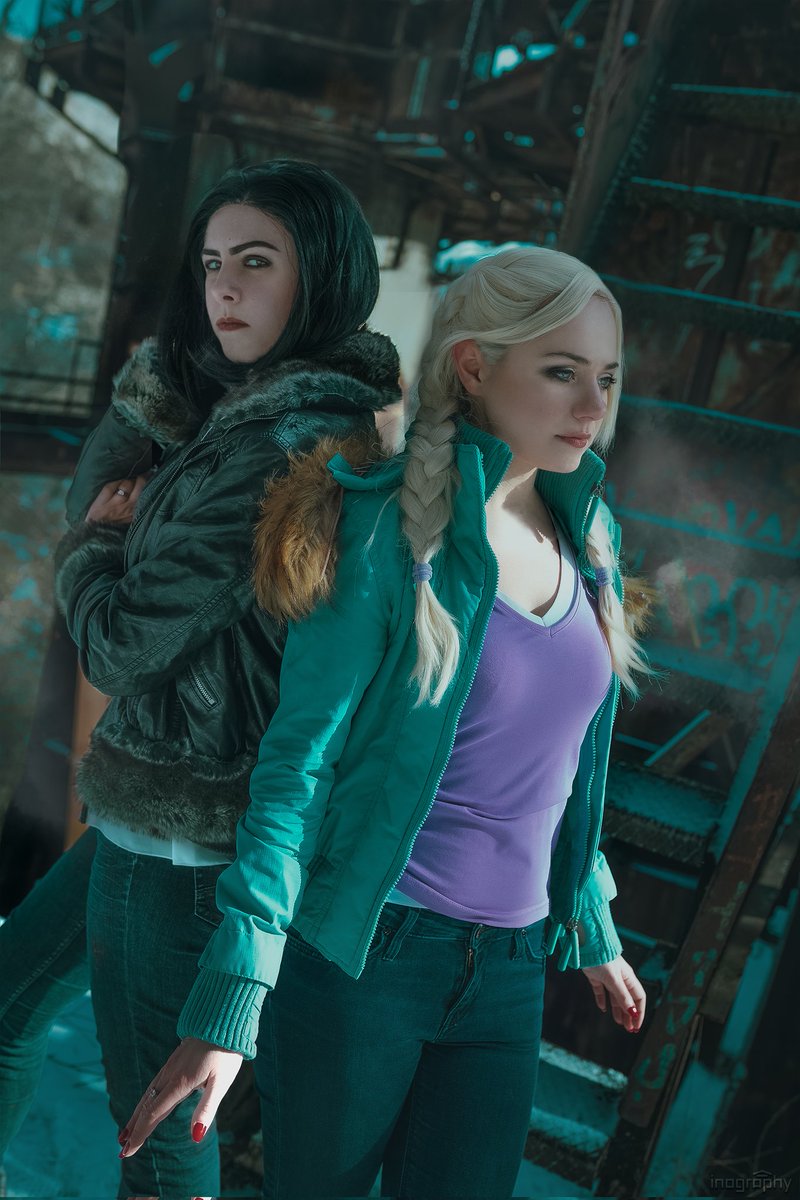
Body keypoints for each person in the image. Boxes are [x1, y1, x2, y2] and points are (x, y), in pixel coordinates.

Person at [123, 246, 652, 1200]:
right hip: (369, 958)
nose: (592, 406)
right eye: (562, 372)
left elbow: (562, 767)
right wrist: (233, 998)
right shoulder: (383, 530)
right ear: (474, 367)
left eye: (606, 378)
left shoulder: (592, 537)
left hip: (511, 967)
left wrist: (590, 915)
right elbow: (299, 769)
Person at [0, 158, 400, 1199]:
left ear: (321, 272)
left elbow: (118, 646)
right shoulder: (249, 416)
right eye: (214, 264)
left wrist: (91, 553)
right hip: (154, 805)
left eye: (256, 262)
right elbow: (110, 505)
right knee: (11, 1010)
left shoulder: (280, 446)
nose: (224, 287)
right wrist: (154, 395)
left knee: (158, 1141)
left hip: (182, 837)